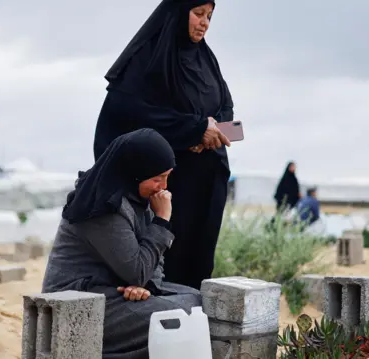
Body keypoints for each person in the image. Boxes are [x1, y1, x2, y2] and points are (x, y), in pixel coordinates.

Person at [92, 0, 234, 290]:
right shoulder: (150, 58)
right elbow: (128, 111)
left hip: (205, 183)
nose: (205, 22)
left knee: (197, 268)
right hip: (167, 186)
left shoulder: (207, 60)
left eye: (209, 16)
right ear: (179, 13)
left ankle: (189, 322)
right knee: (160, 268)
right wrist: (193, 131)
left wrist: (211, 133)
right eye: (198, 14)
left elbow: (225, 108)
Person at [42, 128, 201, 359]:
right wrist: (162, 221)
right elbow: (137, 270)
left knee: (197, 298)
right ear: (135, 172)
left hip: (114, 290)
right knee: (182, 313)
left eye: (167, 176)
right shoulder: (103, 207)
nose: (164, 187)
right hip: (79, 302)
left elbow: (152, 265)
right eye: (157, 178)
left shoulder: (136, 197)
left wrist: (146, 287)